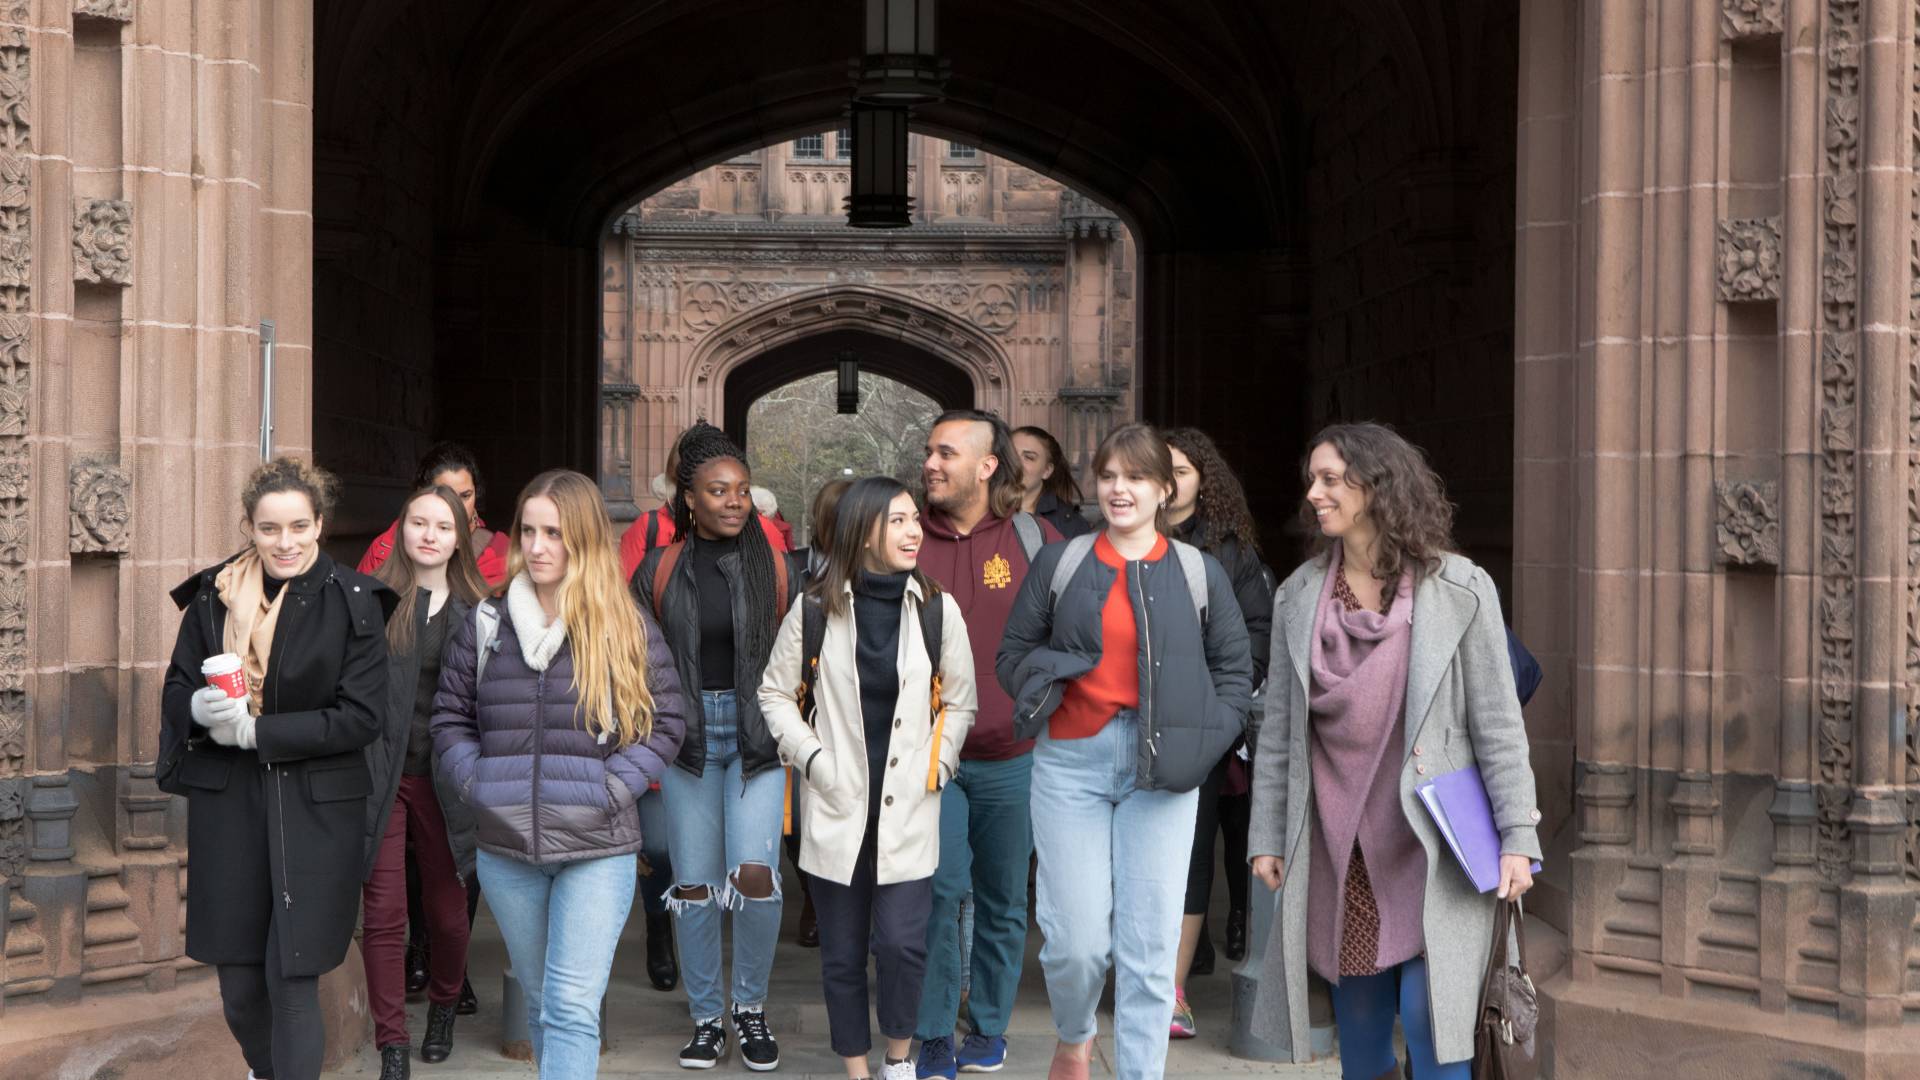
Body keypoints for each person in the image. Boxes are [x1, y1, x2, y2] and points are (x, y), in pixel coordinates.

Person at [1247, 422, 1542, 1079]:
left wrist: (1518, 834)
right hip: (1339, 839)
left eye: (1331, 479)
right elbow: (1280, 733)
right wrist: (1267, 834)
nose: (1314, 492)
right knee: (1361, 1022)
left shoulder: (1459, 589)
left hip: (1437, 838)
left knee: (1433, 1019)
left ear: (1376, 488)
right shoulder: (1298, 598)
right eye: (1313, 479)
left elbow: (1496, 722)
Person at [997, 422, 1252, 1080]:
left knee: (1148, 949)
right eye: (1109, 475)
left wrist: (1207, 740)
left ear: (1165, 490)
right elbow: (1013, 654)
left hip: (1164, 770)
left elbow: (1234, 672)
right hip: (1071, 761)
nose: (1120, 489)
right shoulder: (1064, 562)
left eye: (1137, 477)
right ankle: (1075, 1034)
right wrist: (1052, 680)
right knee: (1074, 943)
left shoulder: (1200, 572)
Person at [431, 469, 687, 1080]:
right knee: (545, 1003)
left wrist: (612, 787)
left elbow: (668, 719)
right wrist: (479, 783)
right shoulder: (489, 625)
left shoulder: (622, 625)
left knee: (571, 1005)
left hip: (597, 847)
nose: (539, 546)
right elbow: (449, 718)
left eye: (555, 533)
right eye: (530, 531)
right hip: (508, 848)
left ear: (587, 541)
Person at [159, 457, 394, 1080]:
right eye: (269, 529)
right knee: (238, 986)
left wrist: (258, 730)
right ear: (249, 527)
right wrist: (198, 708)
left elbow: (361, 717)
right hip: (230, 801)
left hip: (316, 809)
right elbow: (178, 683)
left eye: (298, 526)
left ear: (320, 524)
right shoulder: (211, 597)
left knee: (290, 979)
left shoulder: (356, 603)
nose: (284, 542)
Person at [759, 476, 978, 1080]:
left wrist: (941, 762)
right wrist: (814, 760)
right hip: (836, 808)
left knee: (905, 947)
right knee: (843, 954)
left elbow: (961, 701)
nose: (914, 532)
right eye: (899, 521)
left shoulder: (936, 608)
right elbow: (775, 693)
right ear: (863, 532)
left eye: (915, 519)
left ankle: (898, 1059)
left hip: (909, 806)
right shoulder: (814, 608)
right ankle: (857, 1069)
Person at [632, 424, 798, 1072]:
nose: (734, 501)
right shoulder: (659, 569)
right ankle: (707, 1018)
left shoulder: (778, 567)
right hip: (689, 742)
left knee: (756, 882)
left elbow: (801, 654)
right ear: (689, 499)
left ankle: (748, 1009)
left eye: (741, 490)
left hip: (756, 741)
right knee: (695, 885)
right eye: (718, 491)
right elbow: (634, 659)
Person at [912, 410, 1061, 1079]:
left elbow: (1076, 637)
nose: (931, 464)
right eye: (929, 452)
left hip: (1015, 758)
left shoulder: (1037, 540)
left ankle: (990, 1029)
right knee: (938, 893)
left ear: (987, 464)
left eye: (947, 452)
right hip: (926, 757)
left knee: (1004, 900)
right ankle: (934, 1030)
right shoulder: (904, 535)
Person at [362, 485, 490, 1079]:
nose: (430, 534)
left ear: (458, 538)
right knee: (385, 912)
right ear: (402, 529)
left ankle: (443, 1005)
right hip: (382, 777)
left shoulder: (480, 612)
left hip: (445, 781)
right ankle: (392, 1041)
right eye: (419, 522)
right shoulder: (372, 602)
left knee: (445, 911)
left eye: (443, 525)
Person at [1162, 427, 1274, 1039]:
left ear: (1205, 480)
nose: (1171, 479)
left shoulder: (1230, 553)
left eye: (1183, 469)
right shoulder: (1117, 541)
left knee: (1190, 854)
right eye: (1162, 468)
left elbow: (1257, 636)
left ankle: (1172, 990)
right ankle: (1137, 972)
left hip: (1199, 729)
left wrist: (1221, 709)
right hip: (1118, 725)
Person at [787, 475, 852, 950]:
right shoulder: (792, 571)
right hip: (805, 715)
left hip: (864, 716)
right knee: (801, 822)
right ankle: (813, 895)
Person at [620, 433, 791, 579]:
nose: (732, 502)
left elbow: (784, 595)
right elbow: (628, 603)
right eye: (717, 490)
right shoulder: (649, 527)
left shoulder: (762, 530)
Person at [360, 442, 512, 586]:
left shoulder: (497, 553)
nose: (456, 505)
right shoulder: (386, 546)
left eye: (465, 496)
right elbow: (361, 607)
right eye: (446, 494)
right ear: (422, 493)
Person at [1012, 425, 1092, 539]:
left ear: (1046, 471)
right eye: (1010, 454)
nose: (1015, 462)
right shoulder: (981, 510)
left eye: (1028, 457)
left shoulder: (1070, 525)